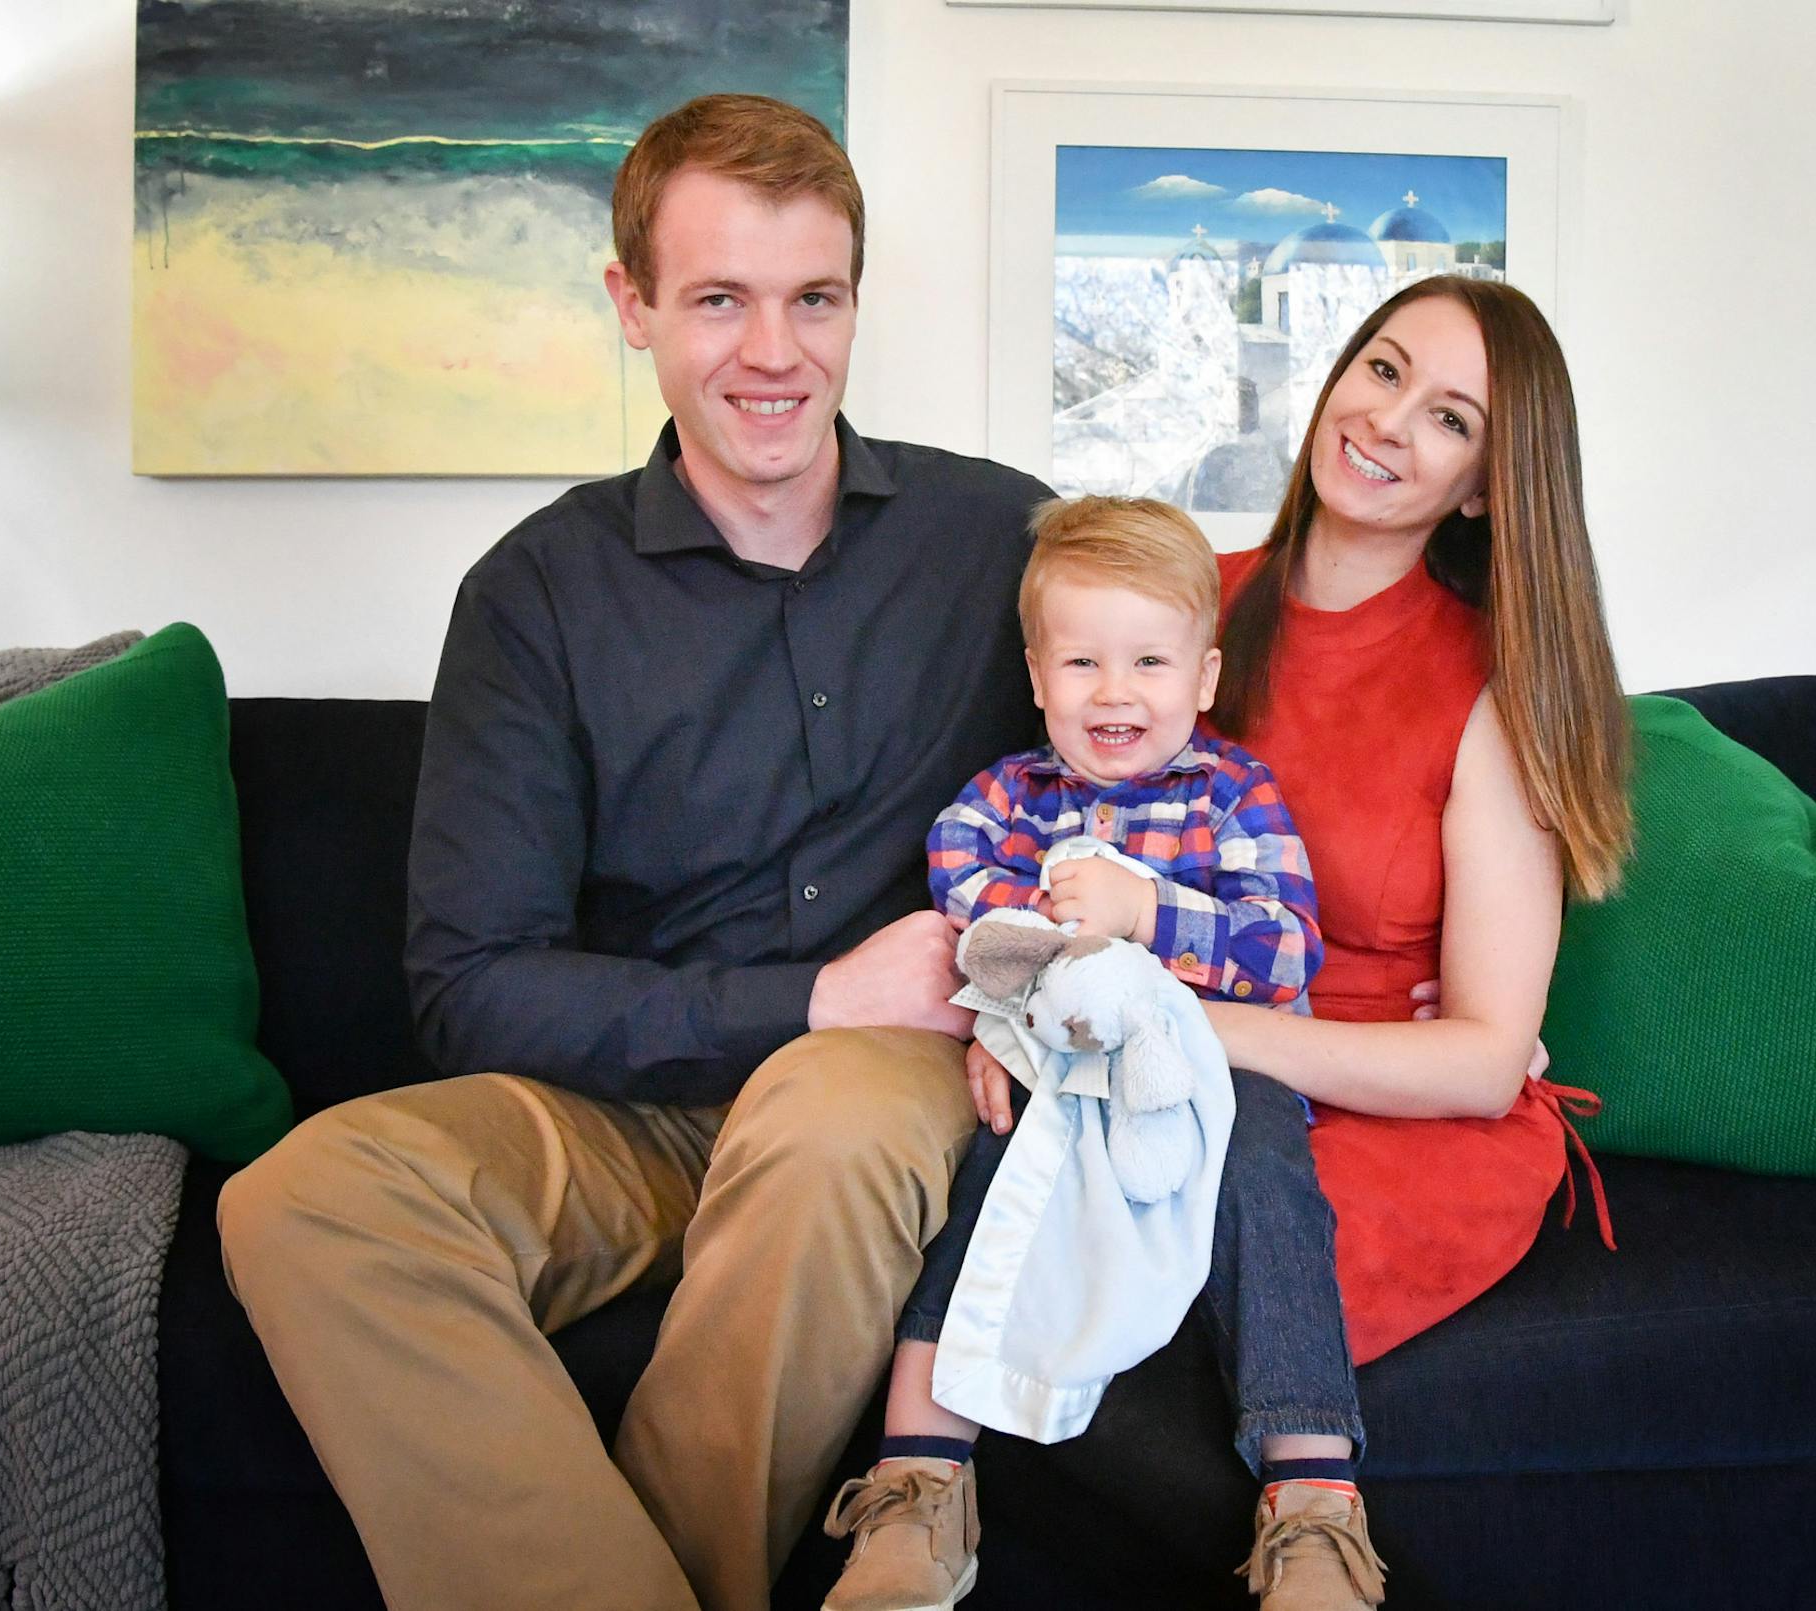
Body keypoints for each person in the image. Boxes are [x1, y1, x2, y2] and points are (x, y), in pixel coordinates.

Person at [214, 94, 1055, 1611]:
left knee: (832, 1124)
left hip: (878, 1090)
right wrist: (807, 996)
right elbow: (468, 988)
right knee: (300, 1192)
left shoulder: (999, 540)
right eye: (720, 299)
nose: (774, 352)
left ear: (855, 303)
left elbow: (1183, 713)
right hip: (623, 1115)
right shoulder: (536, 593)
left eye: (815, 299)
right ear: (632, 307)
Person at [961, 277, 1631, 1611]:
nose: (1385, 421)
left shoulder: (1486, 683)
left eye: (1447, 416)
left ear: (1489, 485)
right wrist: (1008, 1015)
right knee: (1044, 1227)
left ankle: (1317, 1541)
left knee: (1189, 1270)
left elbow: (1487, 1060)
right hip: (1146, 1058)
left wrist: (1171, 1026)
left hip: (1393, 1109)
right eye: (1380, 370)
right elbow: (1026, 831)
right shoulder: (1179, 611)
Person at [819, 494, 1325, 1611]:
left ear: (1202, 676)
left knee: (1274, 1173)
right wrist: (1037, 991)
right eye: (1083, 661)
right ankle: (919, 1484)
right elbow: (977, 926)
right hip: (1058, 1075)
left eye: (1149, 661)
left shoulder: (1233, 794)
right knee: (986, 1176)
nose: (1114, 692)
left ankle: (1314, 1502)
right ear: (1039, 677)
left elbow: (1286, 951)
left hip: (1208, 1074)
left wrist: (1145, 912)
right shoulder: (995, 806)